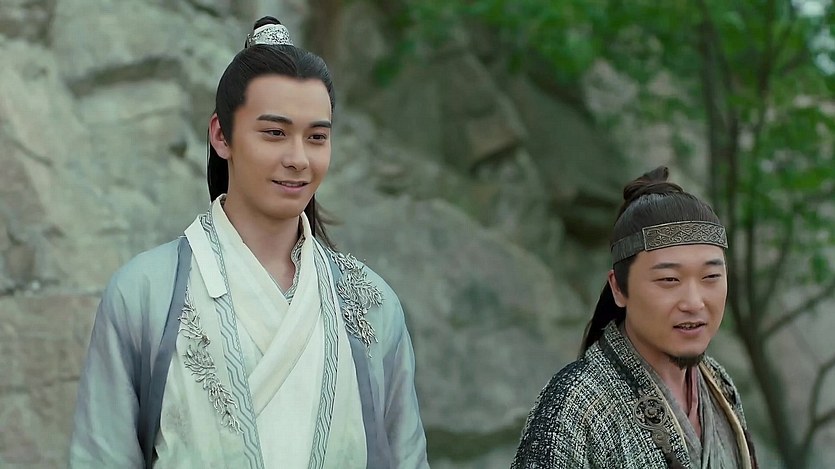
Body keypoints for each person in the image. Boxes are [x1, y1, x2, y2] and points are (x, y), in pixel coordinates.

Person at [69, 16, 428, 468]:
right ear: (222, 136)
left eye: (317, 137)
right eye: (275, 133)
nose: (298, 158)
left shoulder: (372, 303)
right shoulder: (145, 293)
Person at [511, 166, 758, 468]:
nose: (694, 303)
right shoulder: (576, 406)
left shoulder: (718, 383)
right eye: (669, 280)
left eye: (710, 277)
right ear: (619, 288)